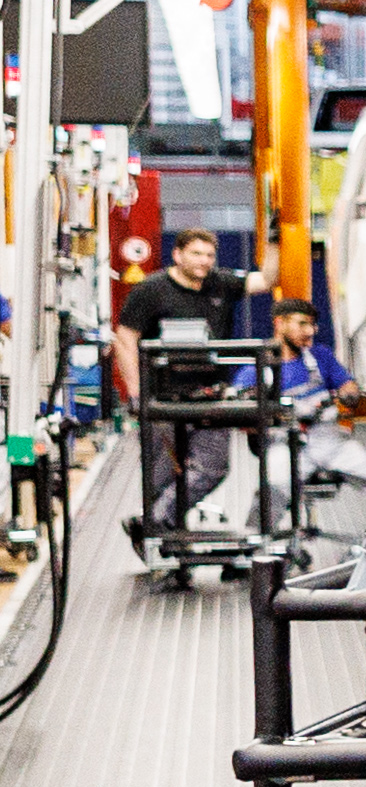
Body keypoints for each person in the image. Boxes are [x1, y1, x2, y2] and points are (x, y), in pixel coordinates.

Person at [111, 229, 259, 550]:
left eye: (209, 255)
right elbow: (125, 338)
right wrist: (136, 393)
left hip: (209, 398)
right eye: (196, 254)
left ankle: (152, 520)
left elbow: (268, 280)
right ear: (177, 255)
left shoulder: (220, 283)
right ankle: (166, 554)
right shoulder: (151, 290)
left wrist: (279, 231)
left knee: (213, 468)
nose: (204, 261)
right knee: (162, 475)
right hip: (162, 401)